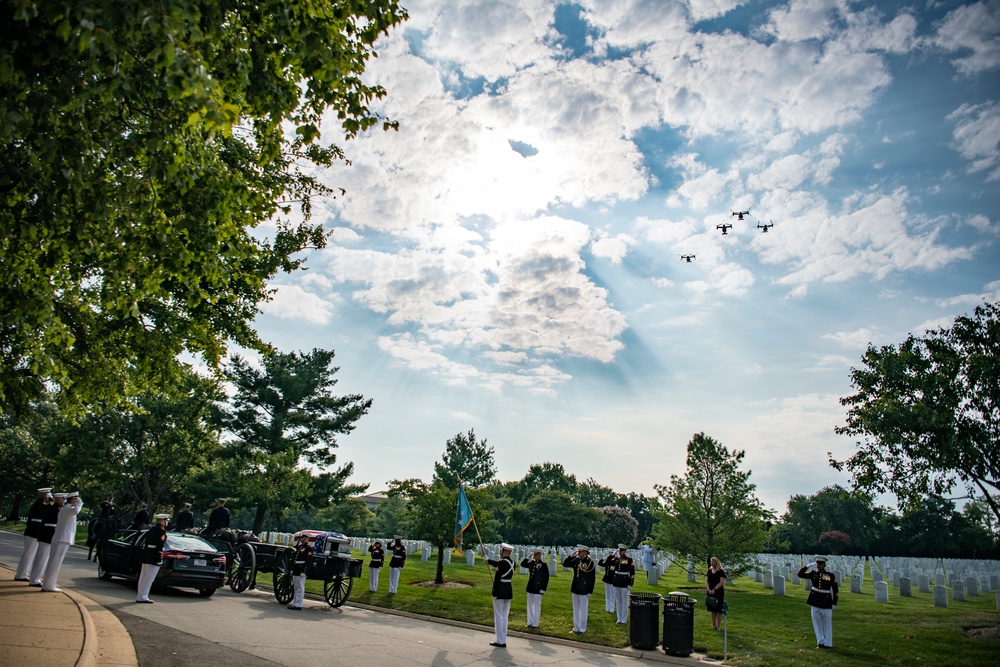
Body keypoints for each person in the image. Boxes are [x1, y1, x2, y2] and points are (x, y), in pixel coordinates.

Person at [42, 491, 83, 592]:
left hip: (61, 538)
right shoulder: (68, 509)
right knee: (55, 563)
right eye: (76, 499)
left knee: (54, 562)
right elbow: (76, 511)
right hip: (62, 539)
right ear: (73, 499)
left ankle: (48, 584)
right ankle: (48, 585)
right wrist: (79, 503)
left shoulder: (66, 508)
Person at [798, 555, 839, 649]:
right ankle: (820, 641)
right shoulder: (813, 574)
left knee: (827, 623)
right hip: (815, 599)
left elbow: (835, 590)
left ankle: (828, 644)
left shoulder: (830, 575)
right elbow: (800, 574)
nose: (818, 565)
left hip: (826, 600)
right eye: (817, 563)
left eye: (820, 564)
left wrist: (834, 602)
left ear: (824, 564)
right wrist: (807, 566)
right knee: (816, 622)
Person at [15, 488, 51, 581]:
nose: (48, 496)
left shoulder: (40, 504)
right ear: (43, 495)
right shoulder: (39, 504)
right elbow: (50, 508)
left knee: (29, 554)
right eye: (47, 494)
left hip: (35, 531)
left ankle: (22, 573)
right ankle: (21, 574)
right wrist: (51, 501)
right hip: (33, 531)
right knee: (28, 554)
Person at [29, 492, 63, 587]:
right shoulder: (56, 508)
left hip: (46, 533)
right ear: (59, 499)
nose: (64, 501)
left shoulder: (51, 506)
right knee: (42, 558)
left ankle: (34, 578)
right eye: (63, 499)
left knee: (41, 557)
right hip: (49, 533)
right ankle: (35, 579)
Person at [563, 545, 596, 634]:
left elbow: (592, 578)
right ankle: (576, 627)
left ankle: (582, 628)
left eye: (580, 552)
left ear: (585, 552)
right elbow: (565, 564)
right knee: (576, 609)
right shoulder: (577, 560)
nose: (579, 553)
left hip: (584, 588)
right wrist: (571, 556)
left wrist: (590, 591)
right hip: (575, 587)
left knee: (583, 609)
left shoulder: (589, 562)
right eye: (578, 552)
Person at [486, 543, 515, 647]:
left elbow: (498, 575)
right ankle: (503, 639)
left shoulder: (502, 563)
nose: (501, 553)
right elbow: (498, 564)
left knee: (498, 616)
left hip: (500, 590)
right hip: (508, 590)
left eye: (502, 551)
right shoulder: (513, 563)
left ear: (505, 552)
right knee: (504, 616)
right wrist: (488, 561)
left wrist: (494, 591)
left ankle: (499, 640)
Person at [136, 514, 168, 603]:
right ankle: (143, 596)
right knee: (149, 578)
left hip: (147, 554)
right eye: (166, 520)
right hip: (154, 555)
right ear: (163, 521)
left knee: (143, 577)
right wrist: (160, 557)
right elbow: (160, 545)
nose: (167, 522)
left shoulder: (152, 529)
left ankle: (140, 595)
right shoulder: (161, 531)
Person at [521, 547, 549, 629]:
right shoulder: (532, 563)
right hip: (531, 587)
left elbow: (546, 577)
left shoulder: (543, 564)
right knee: (530, 606)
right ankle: (530, 622)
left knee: (536, 606)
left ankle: (535, 623)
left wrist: (543, 588)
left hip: (538, 588)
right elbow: (523, 564)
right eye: (534, 554)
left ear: (540, 555)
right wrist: (527, 558)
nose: (534, 556)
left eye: (536, 554)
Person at [288, 533, 313, 610]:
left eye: (303, 537)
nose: (301, 538)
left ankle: (298, 604)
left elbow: (308, 561)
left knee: (300, 587)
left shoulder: (308, 548)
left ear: (307, 539)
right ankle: (295, 603)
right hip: (296, 568)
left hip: (301, 569)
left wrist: (304, 571)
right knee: (296, 587)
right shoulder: (299, 547)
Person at [611, 544, 635, 624]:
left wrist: (630, 583)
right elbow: (609, 562)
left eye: (621, 550)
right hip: (617, 580)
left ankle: (623, 619)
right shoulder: (616, 559)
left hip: (624, 581)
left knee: (624, 601)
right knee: (618, 600)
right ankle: (619, 618)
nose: (620, 552)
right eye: (619, 550)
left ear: (624, 551)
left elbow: (632, 573)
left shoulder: (629, 560)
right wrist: (614, 553)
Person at [87, 496, 116, 560]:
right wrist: (107, 504)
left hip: (109, 518)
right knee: (98, 523)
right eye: (110, 498)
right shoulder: (105, 503)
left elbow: (113, 512)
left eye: (112, 498)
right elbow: (102, 506)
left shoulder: (113, 505)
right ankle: (95, 533)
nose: (111, 499)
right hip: (102, 516)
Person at [706, 556, 726, 630]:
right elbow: (707, 580)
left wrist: (714, 589)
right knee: (712, 608)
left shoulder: (720, 571)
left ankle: (718, 625)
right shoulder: (709, 570)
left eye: (713, 561)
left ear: (716, 562)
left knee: (718, 609)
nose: (711, 562)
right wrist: (708, 589)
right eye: (711, 561)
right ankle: (713, 624)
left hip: (718, 592)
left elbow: (721, 582)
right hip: (710, 591)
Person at [598, 548, 617, 614]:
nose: (609, 554)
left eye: (611, 553)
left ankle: (611, 609)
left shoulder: (615, 562)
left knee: (612, 595)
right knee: (607, 595)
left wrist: (613, 557)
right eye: (609, 553)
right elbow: (599, 563)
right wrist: (605, 557)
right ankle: (607, 608)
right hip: (606, 579)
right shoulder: (607, 562)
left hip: (612, 580)